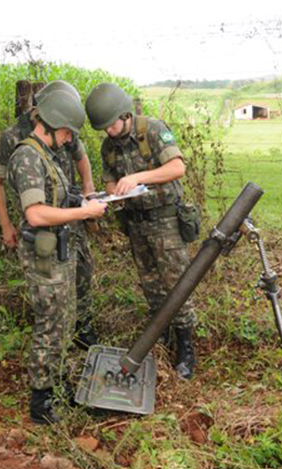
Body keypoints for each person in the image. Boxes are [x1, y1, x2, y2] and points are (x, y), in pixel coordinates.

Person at [6, 90, 108, 424]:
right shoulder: (27, 157)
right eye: (66, 133)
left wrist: (83, 204)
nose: (68, 141)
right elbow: (35, 214)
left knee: (65, 320)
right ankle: (42, 402)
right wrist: (83, 213)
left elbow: (57, 200)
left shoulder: (48, 155)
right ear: (50, 125)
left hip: (59, 251)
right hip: (44, 258)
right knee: (50, 323)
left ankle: (59, 385)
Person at [85, 83, 199, 379]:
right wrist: (114, 192)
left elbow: (176, 168)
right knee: (151, 285)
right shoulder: (109, 146)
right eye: (104, 127)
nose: (109, 131)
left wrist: (136, 178)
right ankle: (161, 335)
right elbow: (110, 181)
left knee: (177, 284)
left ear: (124, 114)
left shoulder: (152, 130)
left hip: (167, 221)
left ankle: (186, 346)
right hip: (137, 223)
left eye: (111, 124)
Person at [0, 80, 99, 349]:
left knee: (82, 273)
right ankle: (52, 359)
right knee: (51, 301)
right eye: (66, 133)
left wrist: (88, 192)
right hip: (47, 222)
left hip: (69, 215)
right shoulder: (19, 141)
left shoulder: (63, 128)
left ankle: (80, 330)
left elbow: (80, 157)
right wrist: (5, 225)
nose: (69, 139)